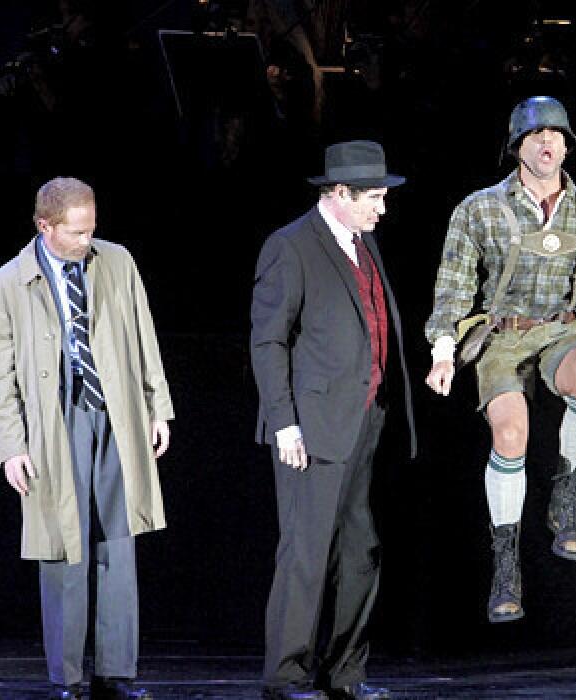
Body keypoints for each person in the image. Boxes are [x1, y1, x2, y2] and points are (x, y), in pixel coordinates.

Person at [424, 96, 576, 623]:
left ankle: (566, 498)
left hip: (564, 331)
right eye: (535, 135)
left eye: (556, 135)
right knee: (510, 435)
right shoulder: (479, 209)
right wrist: (444, 350)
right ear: (517, 147)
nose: (547, 144)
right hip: (503, 335)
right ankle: (506, 561)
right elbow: (453, 287)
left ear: (568, 145)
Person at [0, 177, 173, 700]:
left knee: (118, 538)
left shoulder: (117, 262)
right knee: (64, 547)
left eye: (93, 229)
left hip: (114, 412)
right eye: (79, 233)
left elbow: (143, 335)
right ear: (46, 227)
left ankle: (117, 672)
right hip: (52, 421)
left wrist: (158, 407)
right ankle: (69, 676)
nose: (89, 240)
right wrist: (10, 446)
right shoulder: (7, 284)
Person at [250, 141, 415, 700]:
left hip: (363, 422)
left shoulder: (362, 245)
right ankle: (286, 676)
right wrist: (284, 425)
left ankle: (346, 673)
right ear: (339, 194)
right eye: (373, 197)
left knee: (359, 551)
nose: (382, 208)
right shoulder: (291, 247)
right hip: (311, 431)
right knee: (305, 553)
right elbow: (268, 342)